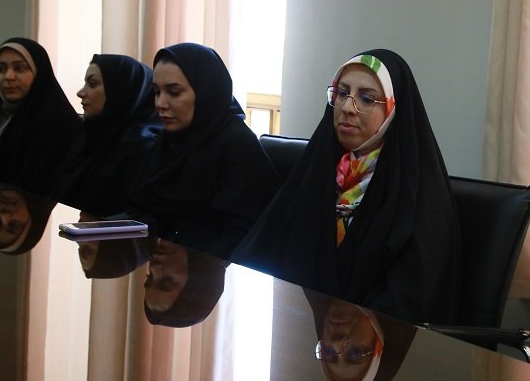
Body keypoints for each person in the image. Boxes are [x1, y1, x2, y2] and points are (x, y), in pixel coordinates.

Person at [232, 49, 461, 325]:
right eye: (342, 93)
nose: (348, 108)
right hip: (296, 325)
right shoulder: (317, 169)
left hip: (374, 338)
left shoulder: (420, 193)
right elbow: (264, 250)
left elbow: (412, 297)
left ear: (393, 109)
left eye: (367, 98)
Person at [125, 43, 279, 258]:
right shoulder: (169, 140)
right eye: (156, 92)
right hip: (163, 261)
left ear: (205, 90)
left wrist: (188, 264)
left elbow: (240, 235)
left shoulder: (238, 145)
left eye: (174, 92)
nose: (160, 103)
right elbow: (142, 207)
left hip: (212, 270)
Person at [0, 38, 81, 197]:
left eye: (19, 68)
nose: (8, 76)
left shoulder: (60, 123)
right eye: (1, 69)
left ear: (38, 73)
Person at [57, 54, 161, 215]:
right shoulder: (92, 134)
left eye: (92, 84)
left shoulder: (141, 146)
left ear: (121, 90)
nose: (80, 93)